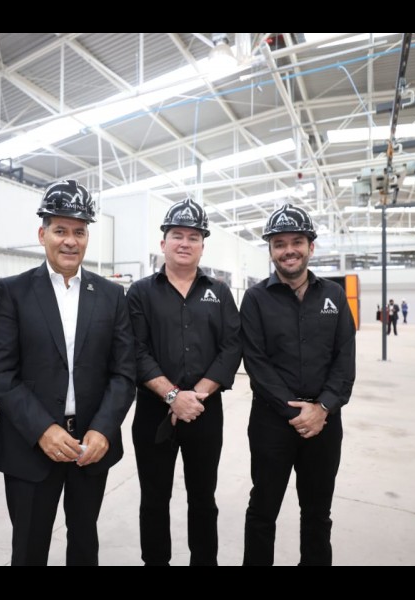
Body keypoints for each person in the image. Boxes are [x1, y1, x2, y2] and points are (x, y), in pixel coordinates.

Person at [0, 179, 136, 566]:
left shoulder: (110, 295)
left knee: (84, 542)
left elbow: (123, 372)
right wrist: (43, 430)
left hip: (90, 445)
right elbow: (0, 374)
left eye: (79, 232)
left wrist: (103, 429)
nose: (70, 241)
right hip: (30, 444)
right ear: (43, 235)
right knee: (29, 547)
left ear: (87, 237)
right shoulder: (13, 292)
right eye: (60, 230)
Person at [127, 198, 242, 566]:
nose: (185, 243)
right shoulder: (140, 293)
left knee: (203, 499)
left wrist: (197, 395)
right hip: (153, 412)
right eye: (177, 235)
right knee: (154, 499)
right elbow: (136, 350)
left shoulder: (219, 292)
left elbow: (232, 347)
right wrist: (173, 395)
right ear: (163, 242)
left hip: (204, 412)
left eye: (194, 237)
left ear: (202, 246)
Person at [240, 204, 356, 566]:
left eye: (296, 242)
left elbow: (345, 358)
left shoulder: (334, 296)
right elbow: (256, 362)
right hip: (271, 422)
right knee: (263, 509)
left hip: (324, 422)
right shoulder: (255, 298)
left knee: (318, 512)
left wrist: (323, 408)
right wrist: (294, 411)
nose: (288, 250)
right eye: (279, 244)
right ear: (271, 250)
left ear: (311, 247)